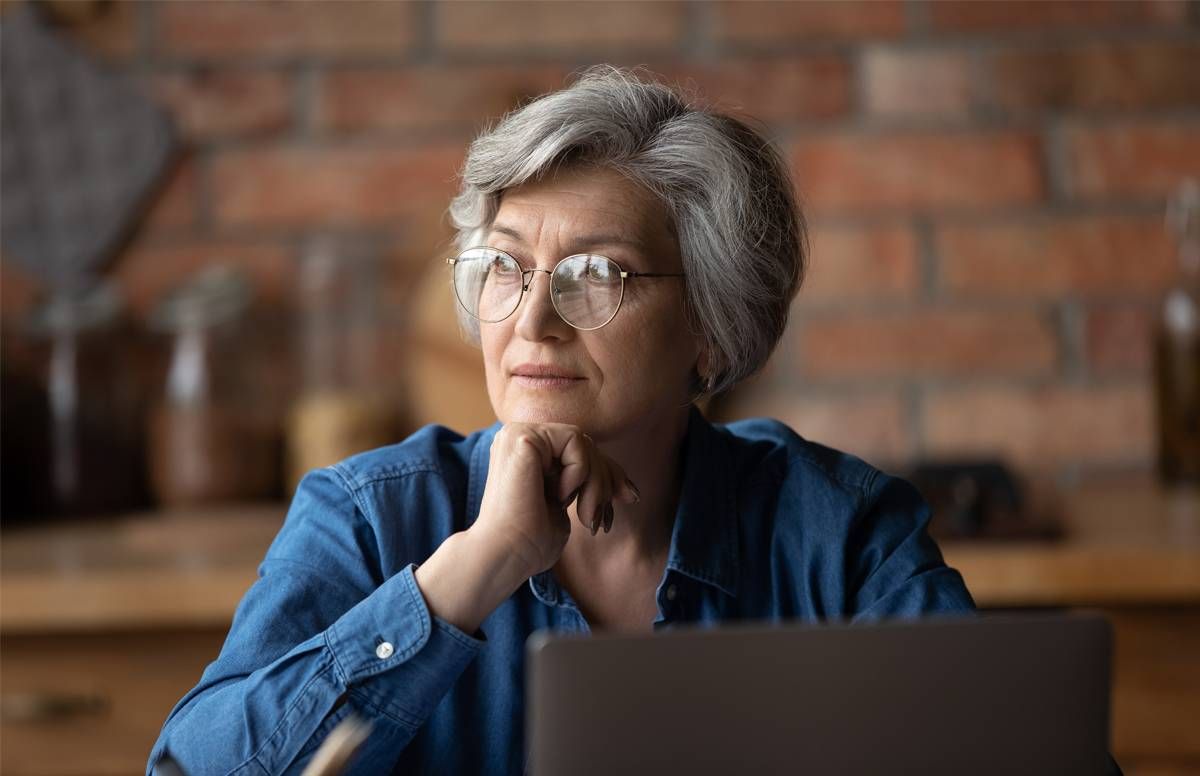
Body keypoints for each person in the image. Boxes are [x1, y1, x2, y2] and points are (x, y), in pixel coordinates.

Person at [148, 66, 975, 775]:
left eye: (598, 273)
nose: (534, 318)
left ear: (711, 328)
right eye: (504, 265)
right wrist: (473, 570)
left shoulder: (840, 530)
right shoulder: (368, 516)